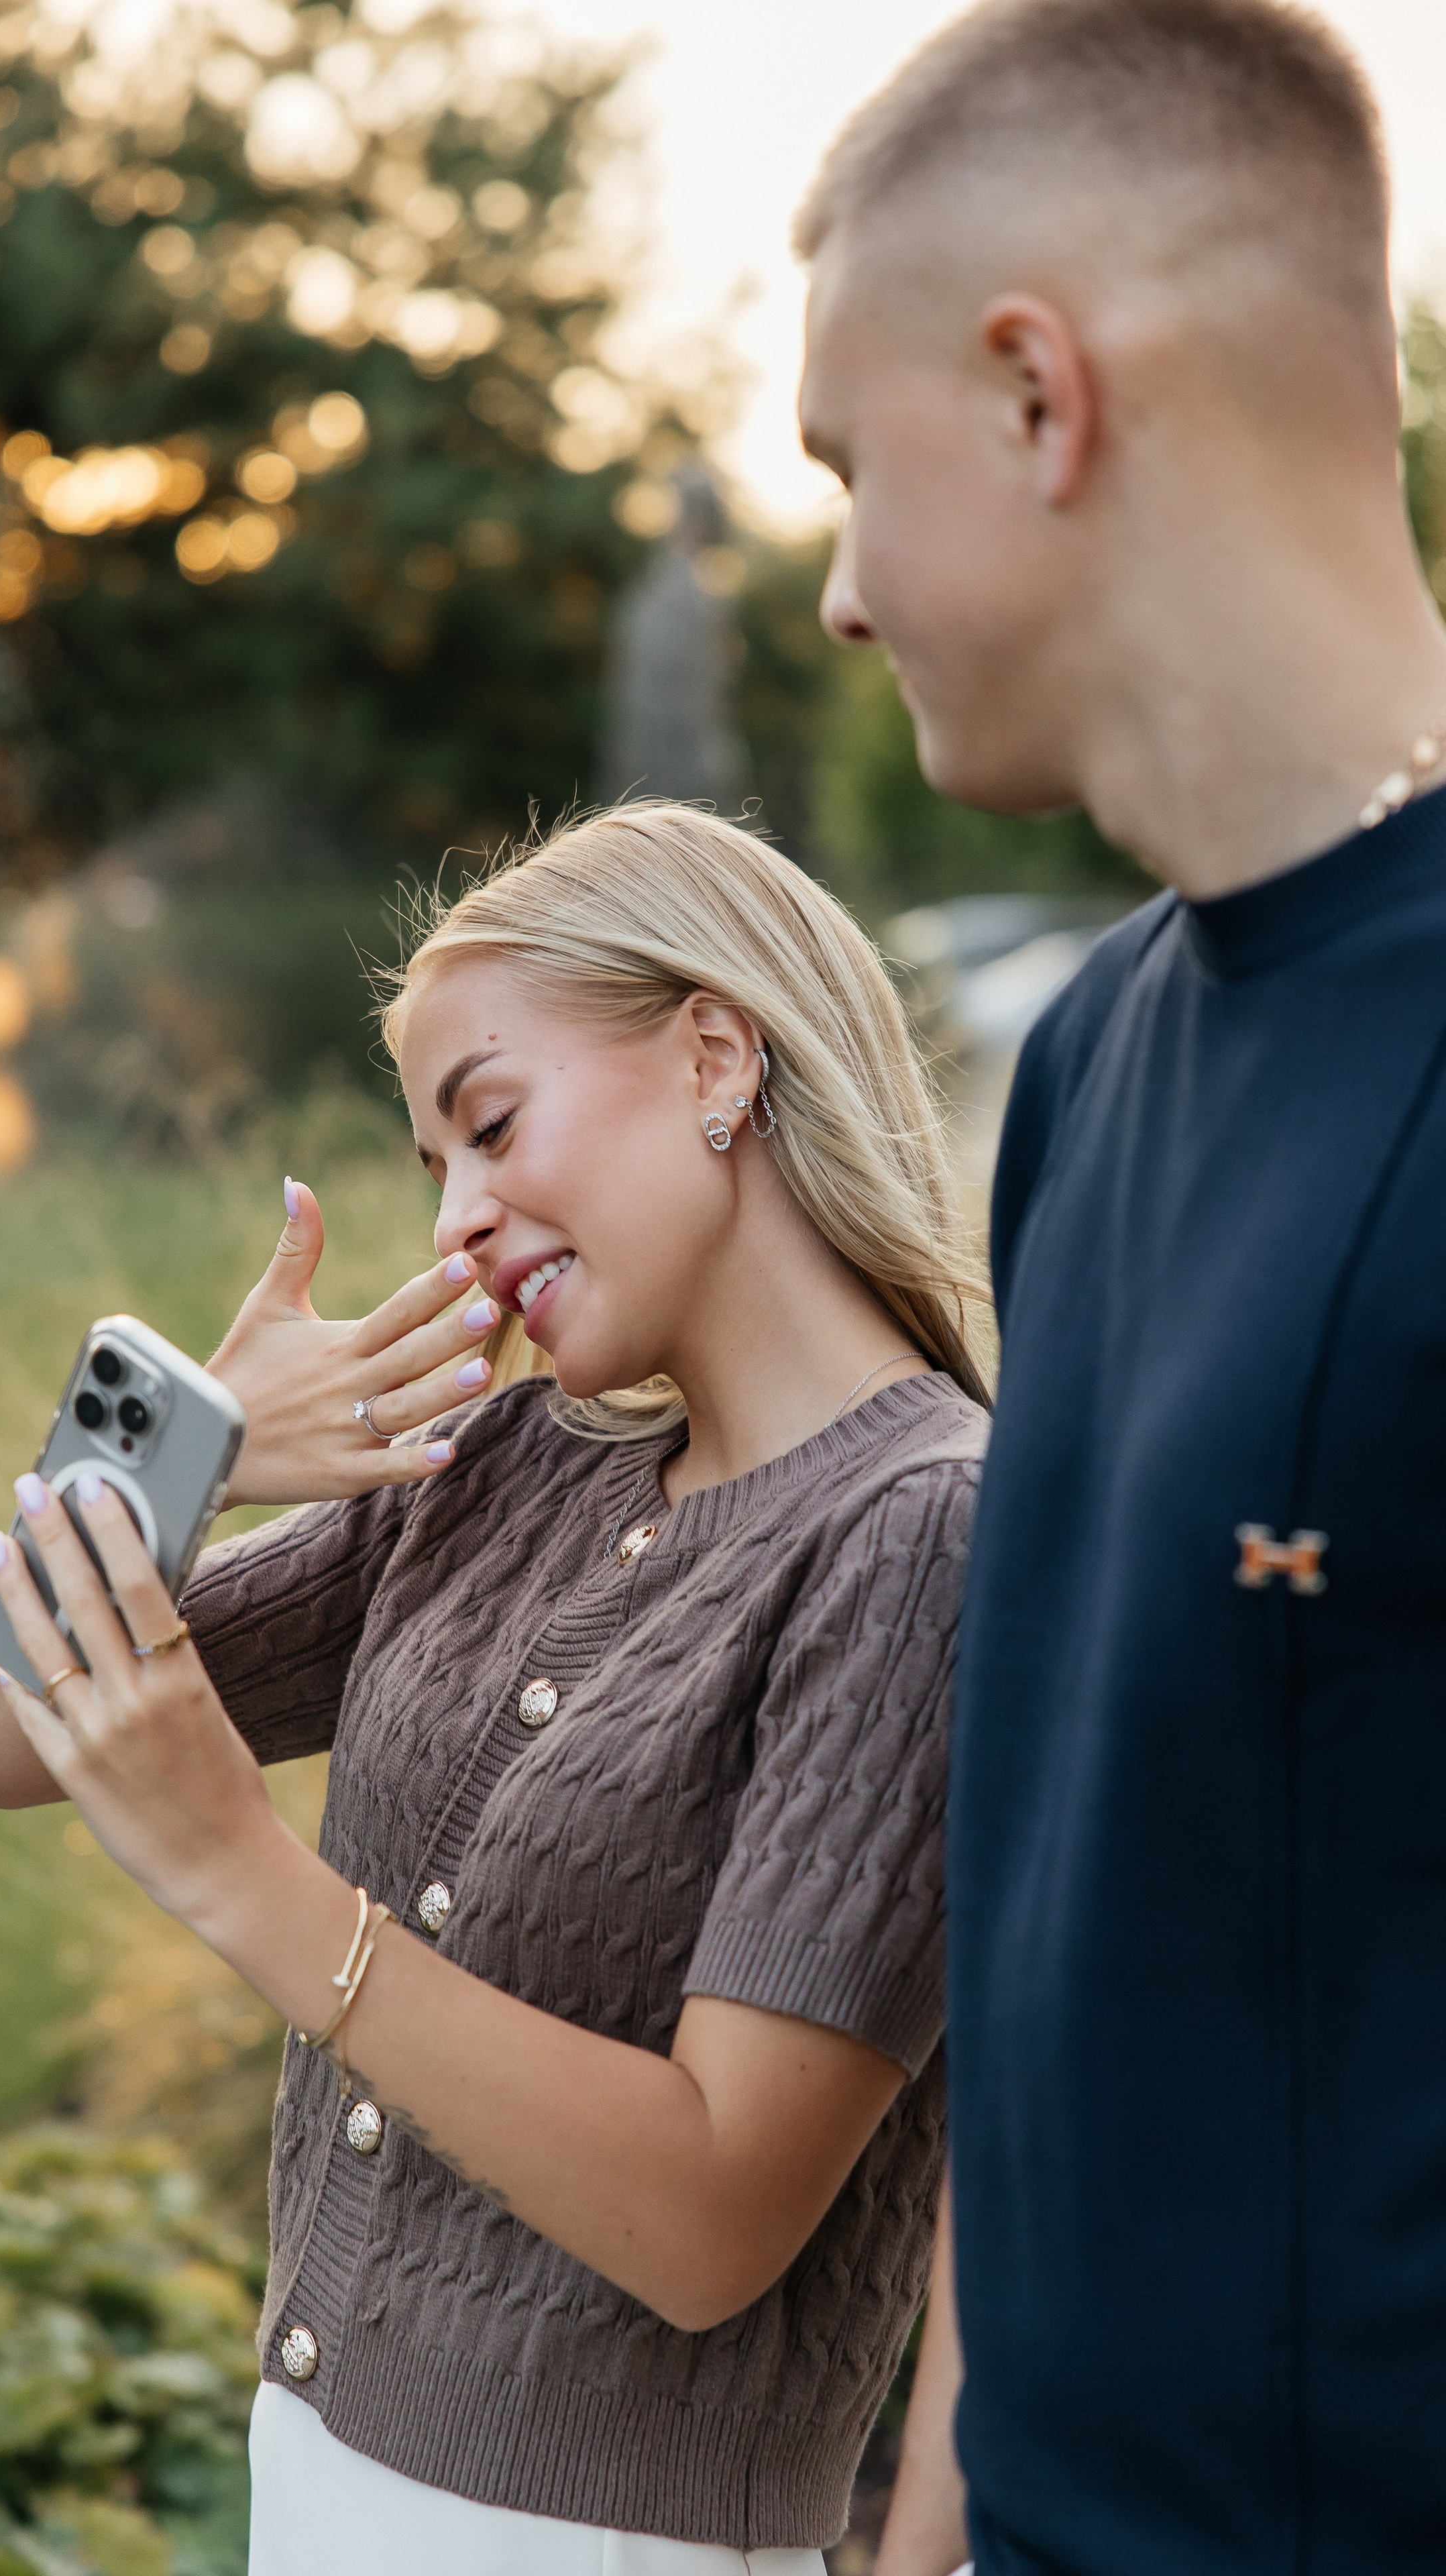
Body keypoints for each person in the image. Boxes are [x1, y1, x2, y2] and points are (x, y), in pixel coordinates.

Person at [0, 803, 989, 2573]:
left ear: (716, 1054)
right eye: (435, 1167)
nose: (465, 1220)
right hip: (325, 2482)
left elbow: (714, 2216)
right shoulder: (507, 1467)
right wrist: (199, 1455)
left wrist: (244, 1876)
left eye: (491, 1125)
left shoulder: (919, 1531)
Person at [793, 3, 1446, 2571]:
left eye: (850, 471)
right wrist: (933, 2513)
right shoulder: (1087, 1064)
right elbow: (1058, 1906)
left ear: (1037, 395)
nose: (836, 592)